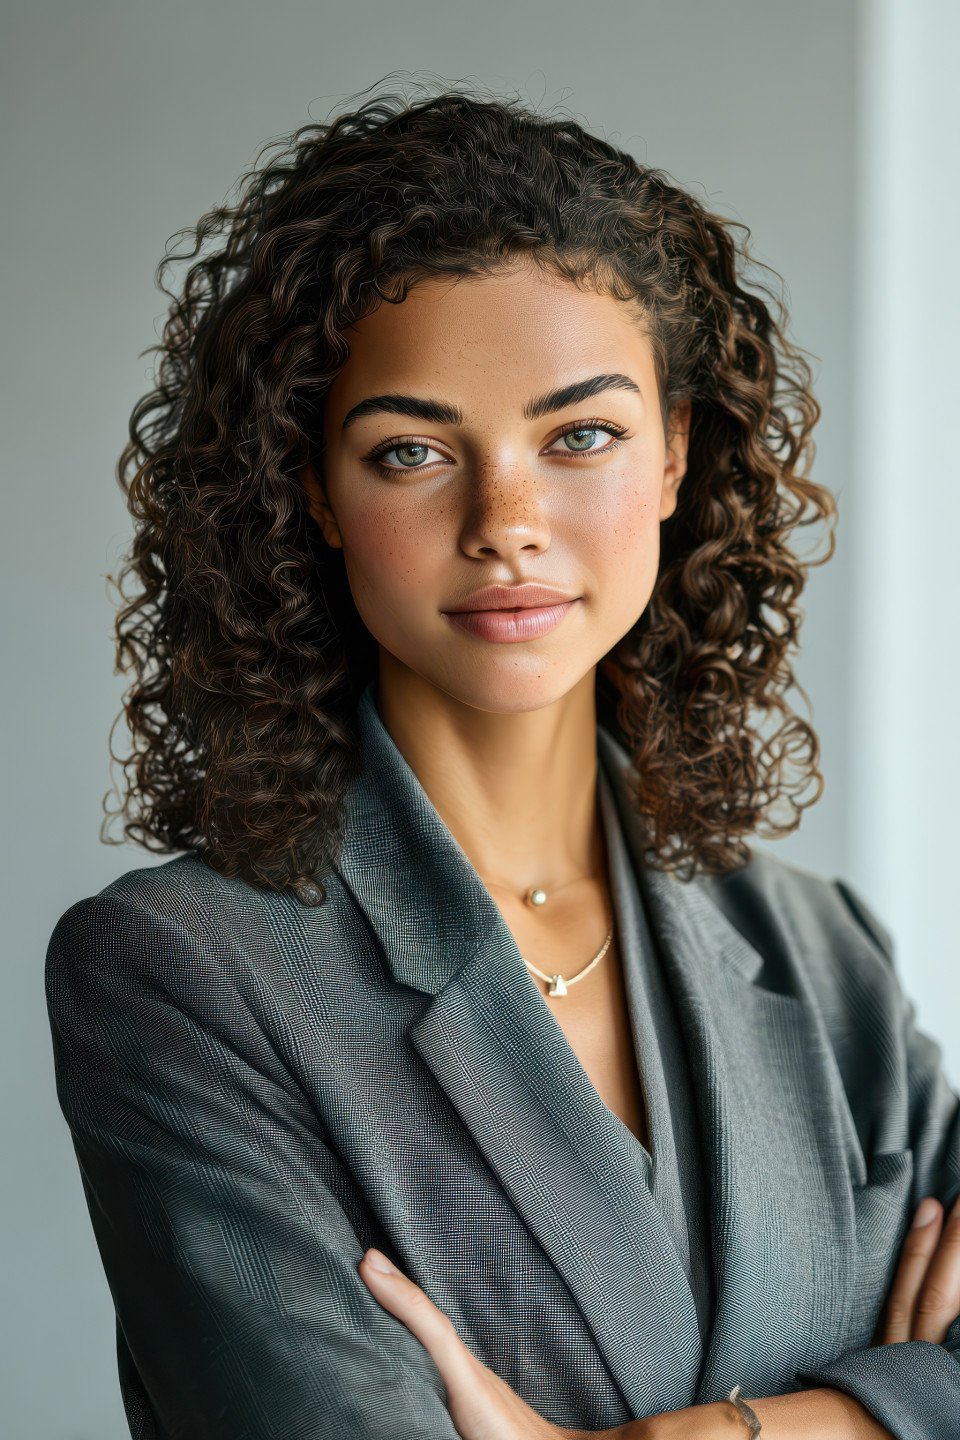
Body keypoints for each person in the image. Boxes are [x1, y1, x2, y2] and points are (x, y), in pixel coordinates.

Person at [44, 79, 960, 1440]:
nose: (506, 521)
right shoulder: (185, 973)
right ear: (314, 490)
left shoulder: (823, 952)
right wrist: (893, 1408)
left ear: (673, 458)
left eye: (580, 434)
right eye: (411, 451)